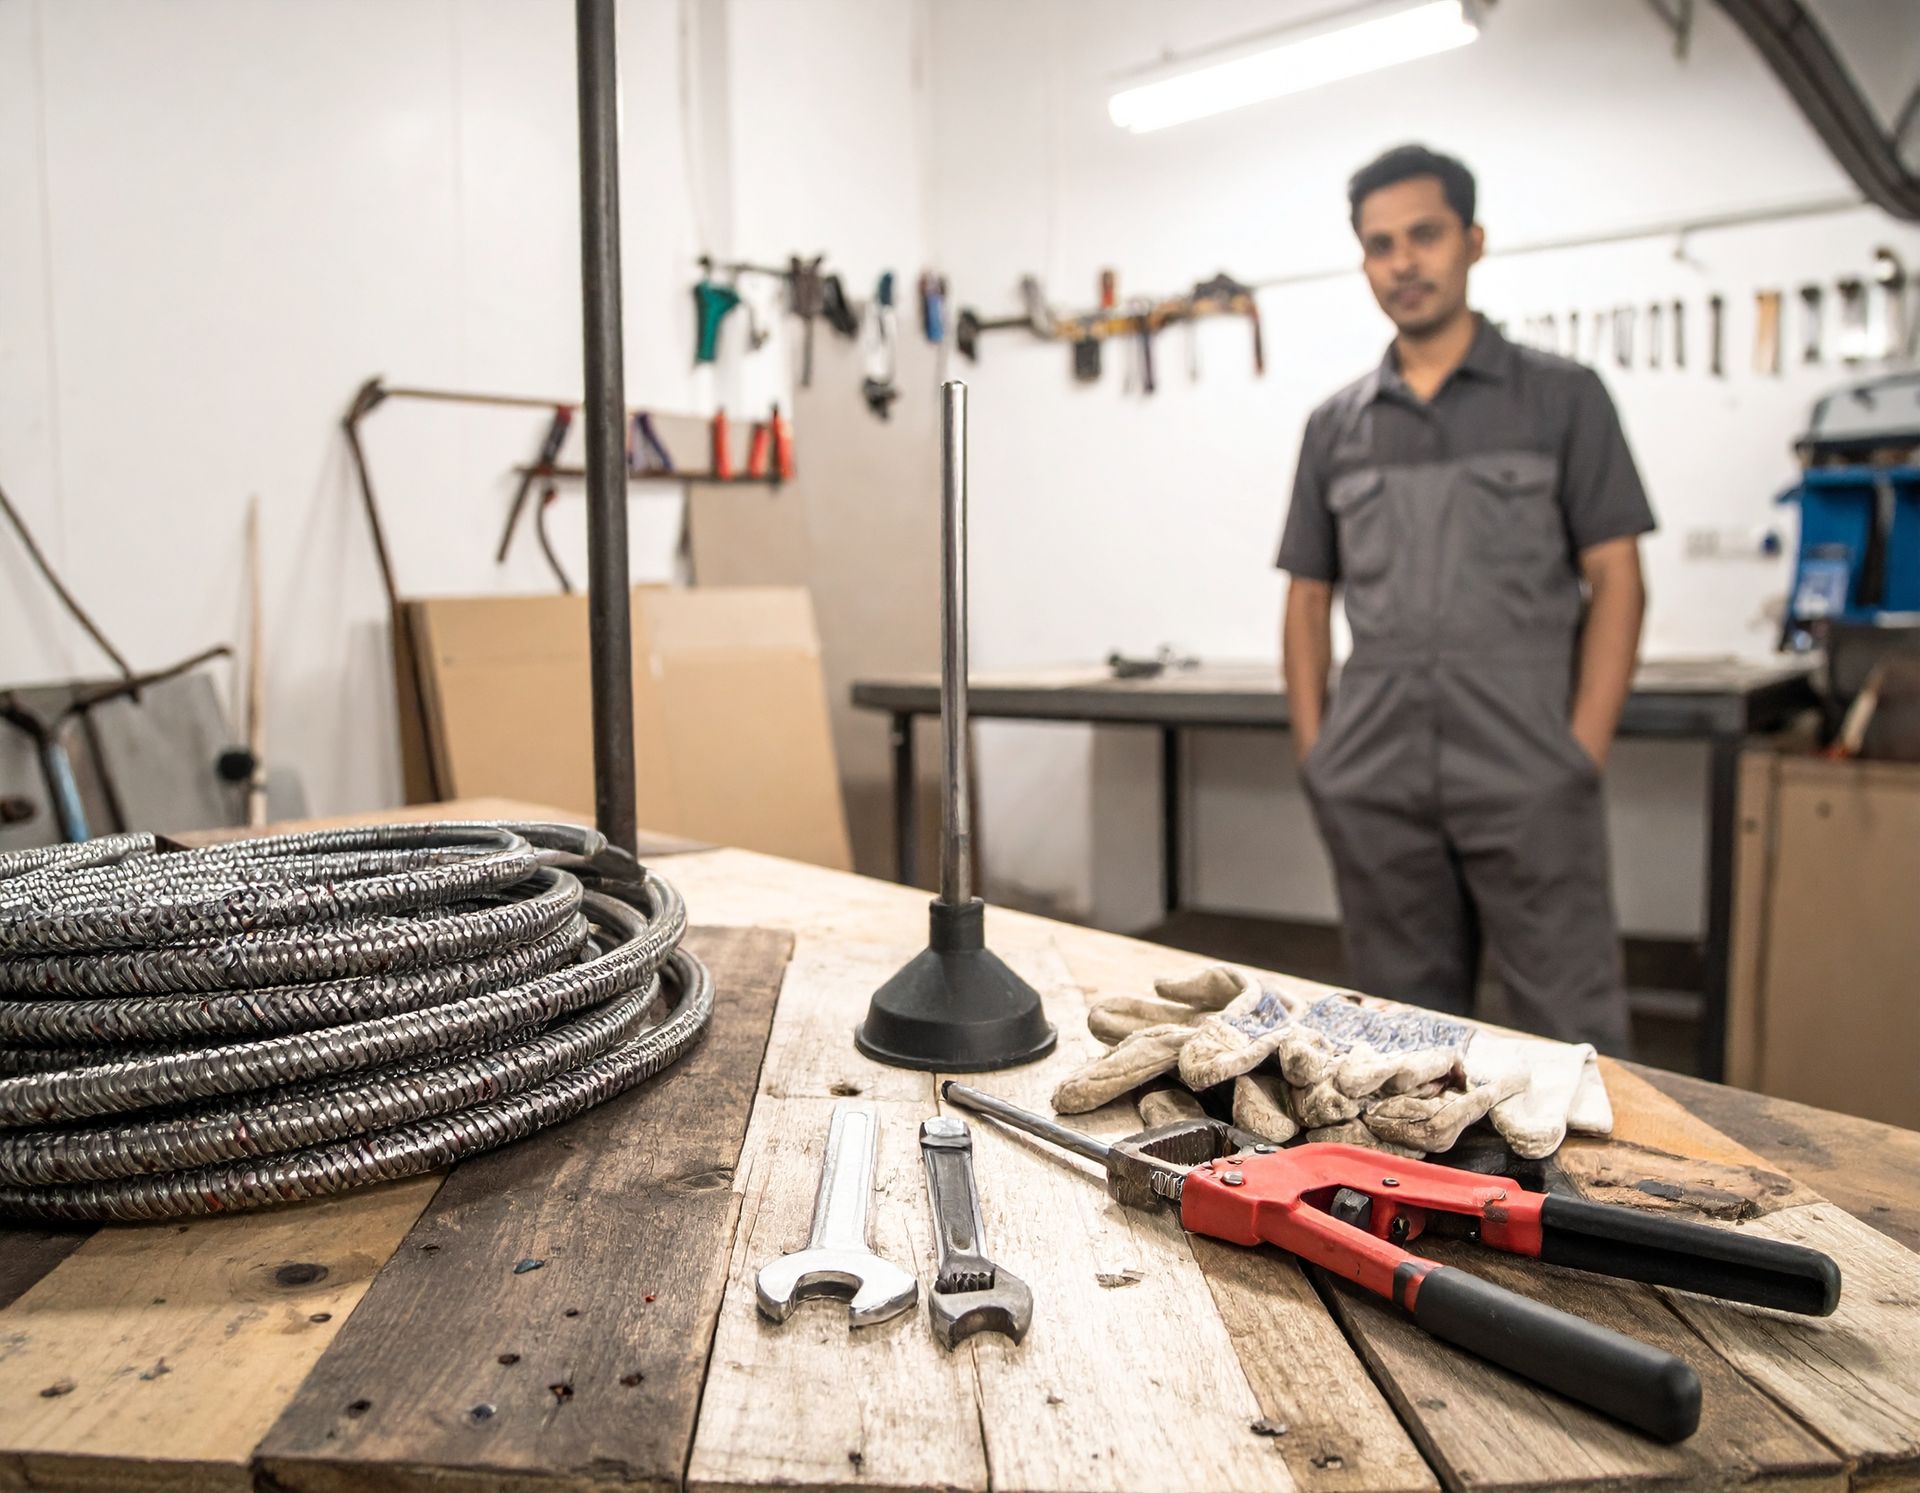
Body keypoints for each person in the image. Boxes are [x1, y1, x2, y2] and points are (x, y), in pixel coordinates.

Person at [1275, 144, 1654, 1053]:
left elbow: (1619, 582)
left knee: (1567, 1038)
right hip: (1376, 777)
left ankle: (1571, 1202)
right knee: (1398, 1048)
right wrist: (1320, 756)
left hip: (1528, 771)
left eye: (1424, 235)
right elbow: (1306, 600)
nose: (1403, 261)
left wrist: (1579, 753)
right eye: (1379, 244)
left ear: (1473, 241)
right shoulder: (1336, 427)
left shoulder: (1563, 399)